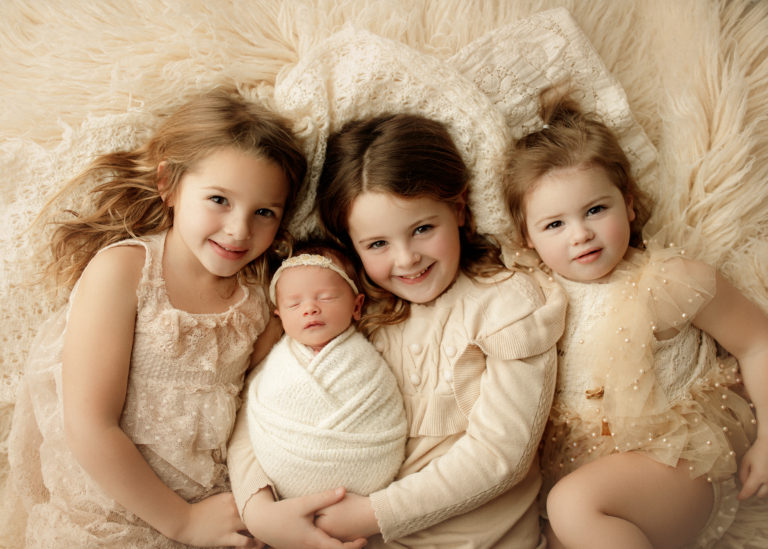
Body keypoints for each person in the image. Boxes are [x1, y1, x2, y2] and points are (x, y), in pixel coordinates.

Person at [228, 112, 567, 548]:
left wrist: (372, 514)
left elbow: (502, 455)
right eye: (378, 244)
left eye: (423, 229)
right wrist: (258, 509)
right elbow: (260, 405)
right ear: (353, 246)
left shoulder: (505, 304)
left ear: (459, 209)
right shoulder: (348, 308)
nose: (406, 260)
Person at [7, 90, 307, 548]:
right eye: (219, 200)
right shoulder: (126, 271)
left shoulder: (258, 302)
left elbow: (257, 414)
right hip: (109, 514)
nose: (239, 229)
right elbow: (89, 424)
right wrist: (182, 521)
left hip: (213, 513)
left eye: (264, 212)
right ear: (169, 185)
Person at [503, 96, 768, 549]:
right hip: (590, 486)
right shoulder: (531, 298)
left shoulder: (667, 280)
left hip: (679, 466)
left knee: (572, 504)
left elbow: (758, 342)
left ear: (628, 205)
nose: (580, 234)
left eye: (595, 210)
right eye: (554, 225)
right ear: (527, 237)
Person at [243, 242, 407, 500]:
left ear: (356, 306)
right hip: (286, 469)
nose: (310, 309)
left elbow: (383, 408)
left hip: (366, 468)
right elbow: (259, 412)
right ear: (280, 317)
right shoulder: (277, 361)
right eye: (294, 304)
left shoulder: (367, 359)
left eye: (326, 297)